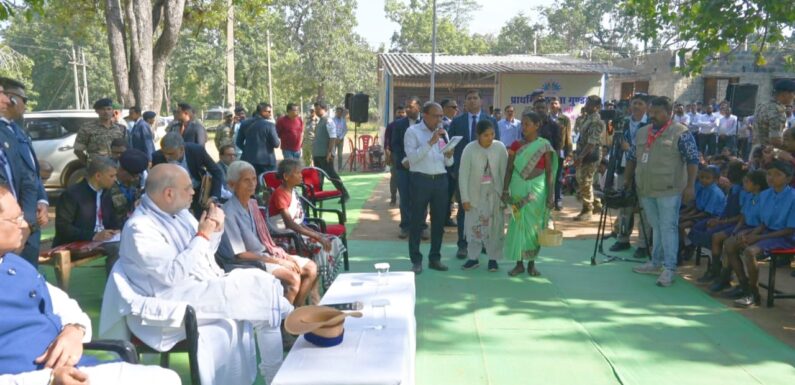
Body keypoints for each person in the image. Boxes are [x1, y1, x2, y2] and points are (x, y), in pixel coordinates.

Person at [109, 164, 292, 384]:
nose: (194, 192)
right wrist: (204, 235)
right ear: (169, 193)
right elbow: (172, 275)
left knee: (262, 285)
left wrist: (214, 231)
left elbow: (203, 256)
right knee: (261, 294)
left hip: (194, 288)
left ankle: (289, 327)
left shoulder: (180, 214)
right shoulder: (139, 228)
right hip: (168, 301)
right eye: (188, 188)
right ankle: (293, 324)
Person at [0, 185, 181, 385]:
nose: (25, 224)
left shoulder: (16, 265)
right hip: (34, 377)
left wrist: (74, 330)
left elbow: (65, 305)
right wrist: (48, 379)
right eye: (15, 219)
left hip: (77, 369)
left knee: (165, 378)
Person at [220, 161, 318, 306]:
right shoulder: (228, 212)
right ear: (232, 184)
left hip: (264, 254)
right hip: (245, 262)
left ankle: (294, 313)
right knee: (292, 278)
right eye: (246, 180)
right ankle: (283, 322)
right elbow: (240, 254)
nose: (252, 183)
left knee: (311, 268)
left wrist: (279, 257)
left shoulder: (252, 204)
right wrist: (279, 261)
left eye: (254, 179)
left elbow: (264, 241)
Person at [625, 96, 699, 287]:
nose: (653, 116)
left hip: (669, 189)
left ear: (669, 113)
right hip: (646, 188)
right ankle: (655, 263)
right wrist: (627, 179)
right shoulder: (642, 132)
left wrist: (690, 186)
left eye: (658, 113)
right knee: (656, 227)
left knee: (668, 228)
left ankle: (669, 268)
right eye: (652, 112)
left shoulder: (681, 133)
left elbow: (692, 160)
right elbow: (632, 156)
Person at [725, 160, 795, 307]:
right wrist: (750, 234)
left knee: (750, 252)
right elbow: (764, 224)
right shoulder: (765, 195)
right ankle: (744, 287)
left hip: (786, 237)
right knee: (730, 243)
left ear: (788, 178)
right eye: (769, 174)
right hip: (768, 233)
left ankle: (753, 293)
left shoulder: (793, 197)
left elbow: (790, 229)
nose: (771, 177)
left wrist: (758, 237)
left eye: (777, 174)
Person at [268, 159, 346, 291]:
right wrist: (317, 237)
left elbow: (298, 221)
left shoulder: (292, 192)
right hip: (286, 237)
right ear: (286, 177)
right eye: (297, 173)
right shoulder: (280, 194)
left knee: (333, 240)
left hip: (295, 232)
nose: (301, 175)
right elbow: (290, 224)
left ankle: (318, 283)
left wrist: (318, 234)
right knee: (322, 245)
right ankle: (317, 286)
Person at [0, 78, 47, 267]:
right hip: (10, 222)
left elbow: (30, 174)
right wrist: (22, 220)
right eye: (23, 99)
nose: (26, 105)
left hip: (26, 219)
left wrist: (42, 201)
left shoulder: (16, 131)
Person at [503, 111, 557, 277]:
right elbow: (510, 168)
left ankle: (532, 263)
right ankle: (519, 264)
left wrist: (550, 195)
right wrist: (505, 190)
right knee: (518, 224)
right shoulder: (515, 145)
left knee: (535, 225)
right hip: (518, 187)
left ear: (537, 125)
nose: (523, 127)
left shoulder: (544, 145)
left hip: (537, 190)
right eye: (522, 124)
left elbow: (549, 171)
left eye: (527, 124)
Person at [448, 89, 500, 258]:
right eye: (468, 98)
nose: (472, 101)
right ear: (465, 102)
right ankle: (463, 245)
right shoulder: (457, 122)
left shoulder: (490, 120)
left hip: (486, 174)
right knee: (465, 209)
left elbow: (496, 146)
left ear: (481, 101)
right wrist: (455, 170)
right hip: (464, 174)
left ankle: (484, 242)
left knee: (486, 209)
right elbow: (450, 147)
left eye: (475, 98)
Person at [404, 102, 454, 274]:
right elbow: (413, 159)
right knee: (417, 221)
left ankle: (435, 258)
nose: (440, 119)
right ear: (425, 115)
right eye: (436, 116)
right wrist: (430, 143)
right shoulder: (413, 132)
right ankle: (416, 260)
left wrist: (449, 155)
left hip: (440, 180)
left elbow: (448, 163)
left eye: (441, 116)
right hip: (420, 180)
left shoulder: (443, 134)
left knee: (439, 222)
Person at [53, 156, 122, 275]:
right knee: (117, 248)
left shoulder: (106, 192)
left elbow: (112, 220)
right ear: (98, 176)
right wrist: (94, 236)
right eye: (112, 176)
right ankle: (115, 286)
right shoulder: (72, 194)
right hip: (76, 241)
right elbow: (63, 228)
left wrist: (116, 231)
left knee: (128, 243)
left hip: (101, 240)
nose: (115, 179)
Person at [703, 168, 766, 292]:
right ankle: (721, 275)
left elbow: (764, 223)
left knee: (729, 244)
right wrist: (736, 230)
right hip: (745, 226)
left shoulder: (764, 198)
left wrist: (746, 232)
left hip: (756, 229)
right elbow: (743, 217)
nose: (744, 184)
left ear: (757, 185)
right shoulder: (749, 196)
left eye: (747, 182)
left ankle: (740, 284)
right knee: (720, 238)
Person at [458, 119, 507, 272]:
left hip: (494, 195)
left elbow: (505, 173)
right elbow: (463, 175)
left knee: (495, 228)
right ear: (478, 135)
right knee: (474, 226)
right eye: (486, 135)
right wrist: (464, 198)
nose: (490, 138)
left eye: (492, 134)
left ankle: (493, 259)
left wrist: (505, 195)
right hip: (474, 196)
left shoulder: (500, 148)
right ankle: (473, 258)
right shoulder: (469, 149)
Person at [611, 94, 651, 257]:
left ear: (646, 106)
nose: (636, 107)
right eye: (634, 103)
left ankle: (643, 243)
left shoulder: (650, 124)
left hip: (643, 168)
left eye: (640, 104)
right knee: (624, 206)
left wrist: (630, 149)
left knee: (643, 207)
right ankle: (622, 239)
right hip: (623, 167)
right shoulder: (624, 122)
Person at [152, 132, 224, 218]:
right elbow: (155, 182)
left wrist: (214, 195)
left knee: (200, 219)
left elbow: (216, 172)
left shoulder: (196, 151)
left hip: (197, 192)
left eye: (171, 154)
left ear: (182, 149)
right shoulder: (157, 157)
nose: (167, 157)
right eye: (164, 153)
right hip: (173, 196)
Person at [390, 97, 426, 239]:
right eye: (406, 107)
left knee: (421, 198)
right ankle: (405, 226)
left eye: (410, 107)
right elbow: (395, 145)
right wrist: (404, 160)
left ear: (419, 107)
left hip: (422, 168)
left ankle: (422, 226)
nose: (407, 109)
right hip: (403, 168)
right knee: (404, 197)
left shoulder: (425, 124)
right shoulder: (399, 124)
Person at [678, 165, 726, 261]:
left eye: (707, 178)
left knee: (681, 225)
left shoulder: (714, 192)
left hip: (713, 217)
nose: (704, 180)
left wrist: (688, 217)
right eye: (702, 177)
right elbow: (696, 205)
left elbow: (707, 213)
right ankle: (685, 246)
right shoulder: (701, 188)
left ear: (715, 180)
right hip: (701, 214)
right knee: (678, 223)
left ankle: (687, 248)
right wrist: (685, 214)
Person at [573, 95, 606, 221]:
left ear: (597, 107)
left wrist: (581, 157)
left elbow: (592, 143)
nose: (586, 106)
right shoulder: (586, 118)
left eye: (590, 104)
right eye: (587, 103)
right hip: (583, 152)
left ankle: (587, 210)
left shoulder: (596, 121)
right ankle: (596, 203)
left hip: (591, 154)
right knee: (581, 179)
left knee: (585, 181)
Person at [311, 102, 350, 202]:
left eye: (318, 109)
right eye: (315, 109)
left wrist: (329, 152)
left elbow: (333, 137)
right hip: (318, 154)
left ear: (324, 109)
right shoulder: (320, 121)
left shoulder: (328, 121)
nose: (316, 111)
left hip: (325, 154)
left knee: (331, 174)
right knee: (319, 176)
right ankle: (318, 195)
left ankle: (344, 193)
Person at [74, 98, 128, 164]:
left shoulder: (121, 128)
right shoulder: (87, 128)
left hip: (116, 167)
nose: (106, 112)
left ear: (112, 110)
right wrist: (88, 165)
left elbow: (126, 149)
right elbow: (78, 150)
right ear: (97, 111)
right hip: (97, 168)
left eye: (109, 109)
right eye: (102, 109)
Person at [108, 149, 149, 228]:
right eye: (133, 175)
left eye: (139, 175)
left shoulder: (139, 181)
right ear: (121, 169)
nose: (135, 179)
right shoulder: (108, 184)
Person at [237, 102, 281, 176]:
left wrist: (248, 150)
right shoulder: (269, 125)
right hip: (267, 161)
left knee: (251, 184)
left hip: (248, 160)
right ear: (262, 112)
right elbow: (276, 144)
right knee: (268, 183)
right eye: (269, 112)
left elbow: (238, 142)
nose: (270, 114)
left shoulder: (244, 123)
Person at [753, 79, 795, 151]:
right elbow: (776, 141)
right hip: (771, 154)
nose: (794, 97)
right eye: (793, 93)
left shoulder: (763, 105)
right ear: (784, 94)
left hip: (757, 151)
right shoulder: (777, 111)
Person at [550, 97, 573, 210]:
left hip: (560, 151)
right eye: (551, 103)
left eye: (556, 103)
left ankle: (558, 200)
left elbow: (568, 136)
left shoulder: (564, 119)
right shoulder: (546, 119)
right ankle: (548, 199)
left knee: (559, 177)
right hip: (547, 151)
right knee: (547, 176)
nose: (553, 105)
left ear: (559, 105)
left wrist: (569, 153)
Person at [384, 105, 407, 207]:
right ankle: (393, 197)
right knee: (394, 177)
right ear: (395, 113)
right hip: (394, 155)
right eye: (399, 112)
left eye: (403, 112)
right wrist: (387, 154)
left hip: (408, 155)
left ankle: (404, 198)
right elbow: (386, 141)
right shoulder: (391, 126)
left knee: (406, 177)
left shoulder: (409, 125)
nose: (401, 114)